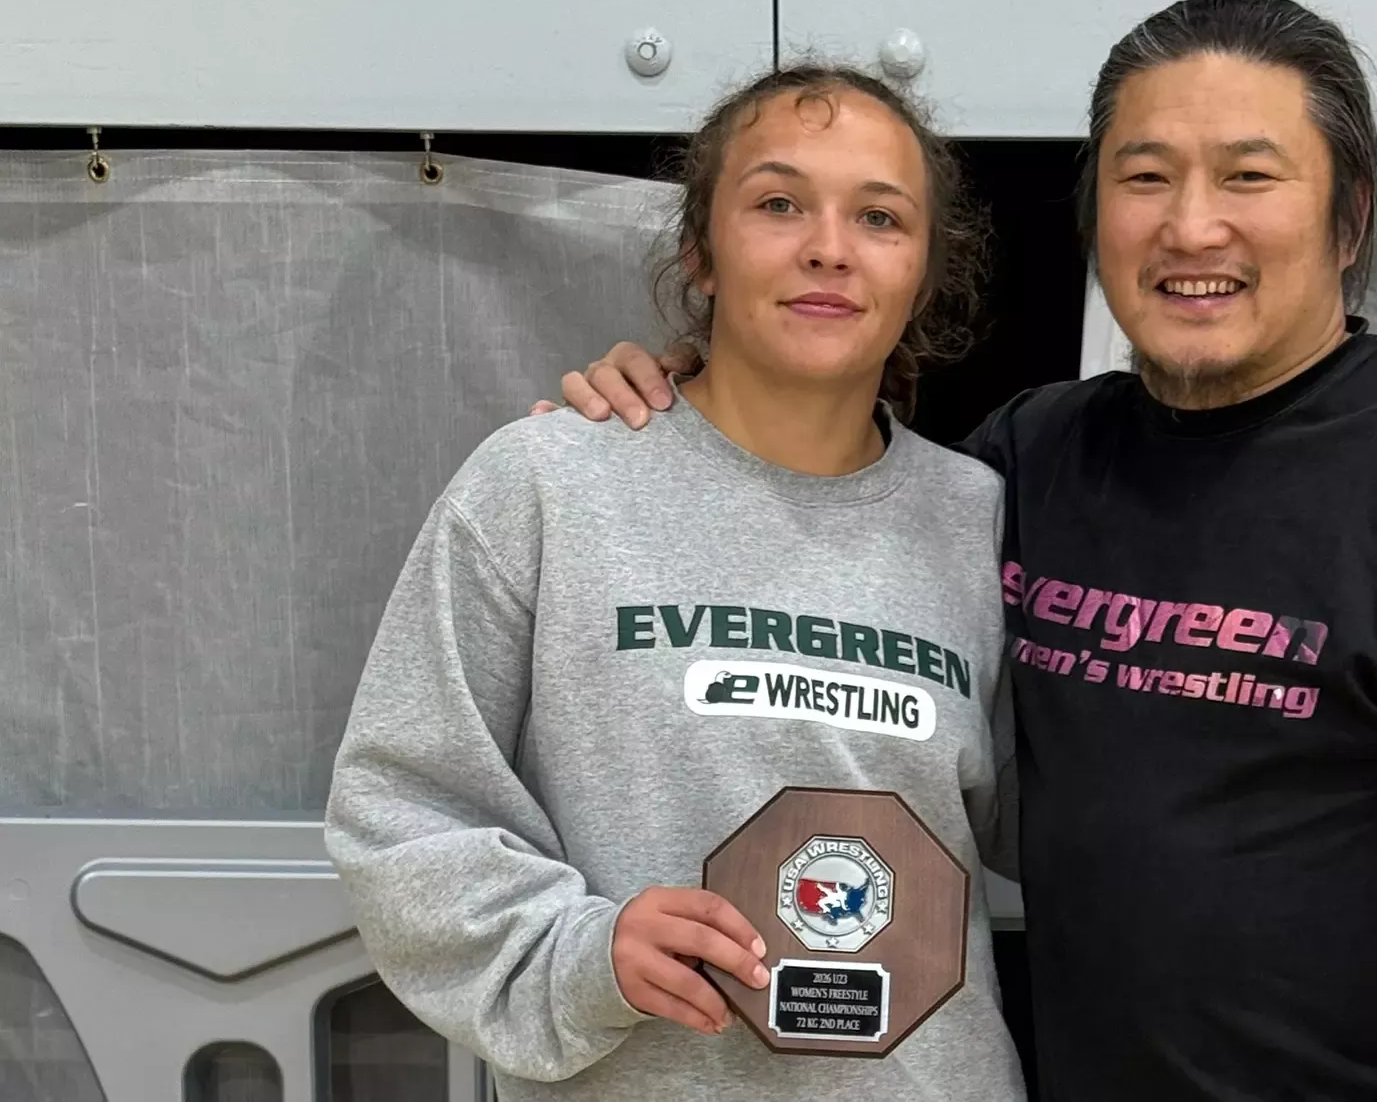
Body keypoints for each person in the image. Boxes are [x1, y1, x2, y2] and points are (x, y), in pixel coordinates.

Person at [540, 0, 1377, 1102]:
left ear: (1346, 220)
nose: (1190, 227)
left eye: (1248, 177)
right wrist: (697, 389)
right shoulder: (1031, 456)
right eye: (1145, 175)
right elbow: (841, 531)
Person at [324, 64, 1028, 1102]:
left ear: (923, 271)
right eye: (778, 203)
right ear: (699, 250)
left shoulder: (980, 518)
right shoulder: (548, 484)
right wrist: (582, 953)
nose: (827, 246)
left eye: (879, 217)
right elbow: (400, 808)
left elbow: (1054, 817)